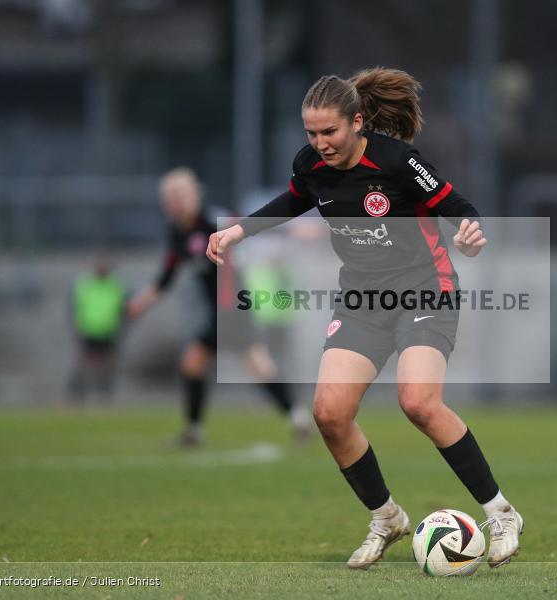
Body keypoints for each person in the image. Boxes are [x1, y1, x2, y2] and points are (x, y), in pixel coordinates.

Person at [206, 68, 523, 569]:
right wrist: (236, 233)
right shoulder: (311, 164)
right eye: (311, 133)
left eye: (329, 132)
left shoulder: (399, 160)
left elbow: (458, 206)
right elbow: (294, 199)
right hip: (362, 297)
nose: (320, 143)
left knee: (418, 402)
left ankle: (501, 513)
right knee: (329, 412)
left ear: (357, 122)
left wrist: (469, 233)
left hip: (425, 288)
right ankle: (387, 517)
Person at [127, 167, 311, 446]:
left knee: (195, 361)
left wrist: (289, 231)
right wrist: (142, 301)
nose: (171, 205)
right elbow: (167, 275)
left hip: (231, 308)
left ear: (190, 196)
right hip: (222, 311)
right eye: (168, 199)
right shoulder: (179, 233)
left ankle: (194, 430)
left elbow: (249, 229)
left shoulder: (212, 221)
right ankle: (297, 416)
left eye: (176, 197)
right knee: (257, 366)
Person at [66, 253, 126, 404]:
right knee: (85, 364)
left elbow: (122, 307)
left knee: (108, 365)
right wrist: (78, 325)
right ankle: (75, 395)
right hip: (89, 329)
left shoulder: (115, 285)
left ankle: (103, 396)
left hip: (108, 330)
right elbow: (75, 306)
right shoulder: (85, 284)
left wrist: (119, 324)